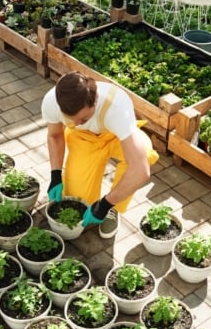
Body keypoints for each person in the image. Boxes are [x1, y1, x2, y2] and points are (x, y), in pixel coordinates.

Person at [41, 71, 159, 237]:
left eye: (83, 119)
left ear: (95, 101)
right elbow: (55, 135)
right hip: (85, 140)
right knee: (79, 199)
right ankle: (95, 201)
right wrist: (55, 175)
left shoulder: (116, 107)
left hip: (115, 137)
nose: (75, 123)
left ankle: (113, 209)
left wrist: (105, 204)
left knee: (143, 154)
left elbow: (141, 169)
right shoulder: (52, 101)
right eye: (70, 119)